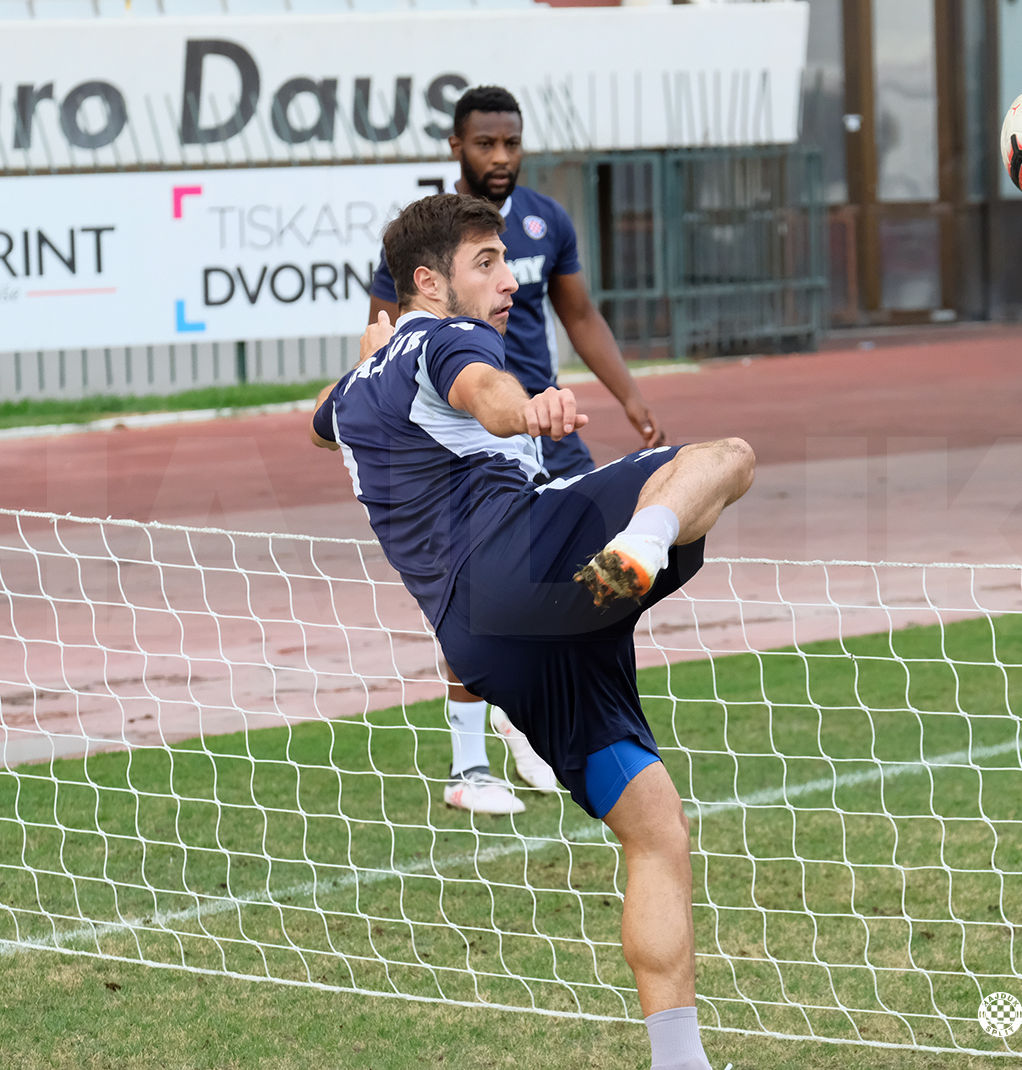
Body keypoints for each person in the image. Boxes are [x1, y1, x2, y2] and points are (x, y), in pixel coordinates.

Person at [313, 193, 753, 1070]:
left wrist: (366, 355)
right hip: (521, 562)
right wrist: (529, 412)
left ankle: (681, 1061)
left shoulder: (360, 386)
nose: (508, 280)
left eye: (506, 259)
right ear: (430, 282)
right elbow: (482, 389)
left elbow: (324, 423)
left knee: (656, 828)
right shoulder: (447, 338)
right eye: (486, 262)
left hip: (484, 639)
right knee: (723, 458)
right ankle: (640, 544)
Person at [368, 84, 670, 814]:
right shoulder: (428, 241)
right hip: (470, 439)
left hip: (551, 427)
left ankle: (545, 710)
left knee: (598, 567)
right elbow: (382, 341)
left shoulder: (544, 221)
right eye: (485, 143)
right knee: (477, 593)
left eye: (511, 142)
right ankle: (472, 764)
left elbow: (580, 312)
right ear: (456, 147)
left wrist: (628, 395)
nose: (500, 157)